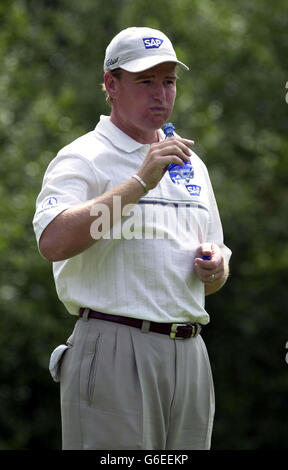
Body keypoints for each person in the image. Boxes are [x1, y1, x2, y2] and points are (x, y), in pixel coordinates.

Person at [33, 26, 231, 450]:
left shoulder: (191, 163)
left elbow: (216, 264)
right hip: (114, 347)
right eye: (145, 82)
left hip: (191, 352)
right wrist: (140, 181)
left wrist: (216, 268)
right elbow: (53, 241)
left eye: (168, 81)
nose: (160, 93)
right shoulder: (82, 155)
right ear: (111, 85)